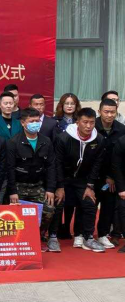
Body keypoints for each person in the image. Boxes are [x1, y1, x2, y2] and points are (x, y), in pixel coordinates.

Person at [6, 108, 61, 251]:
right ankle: (20, 240)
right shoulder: (13, 142)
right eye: (32, 121)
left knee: (49, 209)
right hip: (19, 186)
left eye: (37, 121)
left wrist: (50, 189)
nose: (35, 124)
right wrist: (12, 191)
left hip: (38, 185)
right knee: (16, 214)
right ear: (23, 123)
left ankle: (39, 236)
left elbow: (51, 166)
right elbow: (9, 168)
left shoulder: (46, 141)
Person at [54, 108, 106, 252]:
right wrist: (59, 186)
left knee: (89, 203)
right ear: (77, 122)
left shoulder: (99, 139)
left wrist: (90, 186)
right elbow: (57, 163)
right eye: (85, 122)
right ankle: (52, 236)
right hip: (64, 178)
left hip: (83, 180)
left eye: (92, 122)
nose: (88, 126)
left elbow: (97, 164)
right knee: (57, 203)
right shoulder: (63, 138)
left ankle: (88, 237)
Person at [94, 99, 125, 249]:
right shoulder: (92, 126)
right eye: (106, 111)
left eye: (113, 112)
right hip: (93, 175)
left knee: (108, 206)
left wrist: (112, 177)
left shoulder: (121, 129)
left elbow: (119, 159)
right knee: (89, 206)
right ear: (99, 111)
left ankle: (103, 234)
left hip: (112, 177)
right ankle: (84, 234)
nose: (109, 115)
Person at [54, 93, 82, 238]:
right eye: (67, 103)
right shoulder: (55, 122)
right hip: (59, 164)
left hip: (74, 166)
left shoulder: (80, 122)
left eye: (72, 103)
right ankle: (57, 228)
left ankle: (67, 227)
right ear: (62, 105)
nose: (70, 106)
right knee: (59, 200)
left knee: (71, 200)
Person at [112, 134, 125, 252]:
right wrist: (121, 189)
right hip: (123, 182)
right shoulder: (121, 142)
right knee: (122, 209)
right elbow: (117, 167)